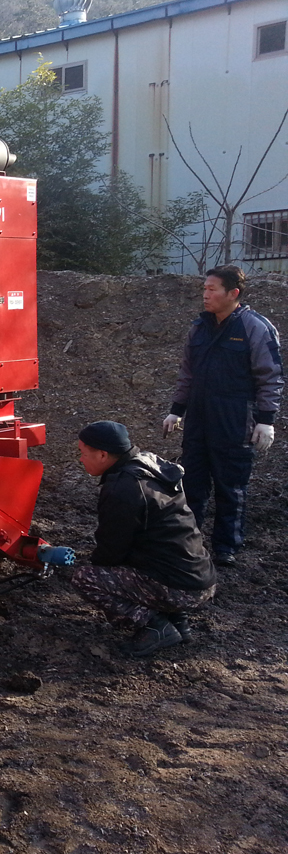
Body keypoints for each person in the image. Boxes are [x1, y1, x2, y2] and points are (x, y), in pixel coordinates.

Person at [162, 266, 282, 567]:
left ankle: (226, 547)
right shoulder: (199, 328)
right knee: (192, 484)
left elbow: (270, 377)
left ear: (233, 294)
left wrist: (266, 420)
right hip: (199, 418)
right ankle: (190, 543)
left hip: (234, 418)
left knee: (231, 486)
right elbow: (187, 374)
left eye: (212, 289)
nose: (205, 294)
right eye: (204, 288)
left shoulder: (255, 328)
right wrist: (176, 411)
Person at [72, 421, 217, 657]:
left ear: (102, 454)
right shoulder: (151, 466)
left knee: (86, 578)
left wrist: (94, 562)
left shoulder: (122, 488)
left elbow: (111, 549)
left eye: (83, 453)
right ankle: (177, 620)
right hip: (201, 576)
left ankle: (154, 626)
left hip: (180, 588)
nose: (81, 459)